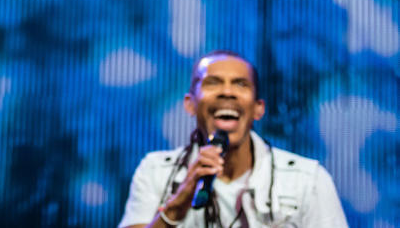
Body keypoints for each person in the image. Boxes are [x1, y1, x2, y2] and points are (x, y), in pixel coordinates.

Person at [119, 50, 349, 227]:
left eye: (240, 84)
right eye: (212, 82)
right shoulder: (156, 171)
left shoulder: (307, 180)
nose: (227, 92)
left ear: (259, 109)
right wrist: (178, 204)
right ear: (190, 104)